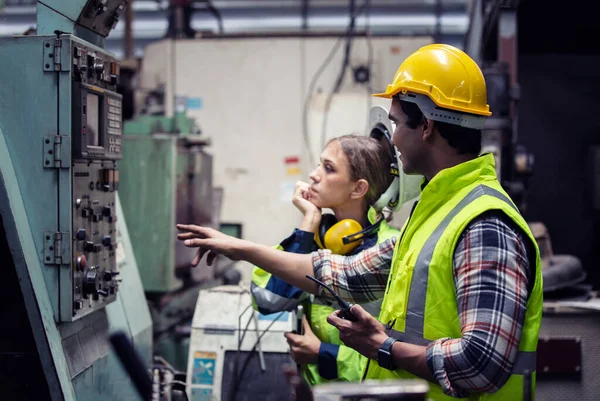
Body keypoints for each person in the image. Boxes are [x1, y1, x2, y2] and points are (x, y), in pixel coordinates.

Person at [177, 44, 543, 401]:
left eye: (397, 123)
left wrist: (382, 345)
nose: (393, 139)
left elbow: (481, 363)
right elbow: (344, 274)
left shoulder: (484, 224)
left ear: (427, 127)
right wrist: (237, 248)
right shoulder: (434, 211)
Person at [251, 134, 401, 386]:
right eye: (319, 164)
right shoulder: (316, 239)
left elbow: (396, 356)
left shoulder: (390, 251)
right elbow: (268, 301)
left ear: (358, 188)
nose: (313, 175)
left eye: (328, 168)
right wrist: (308, 224)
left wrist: (323, 354)